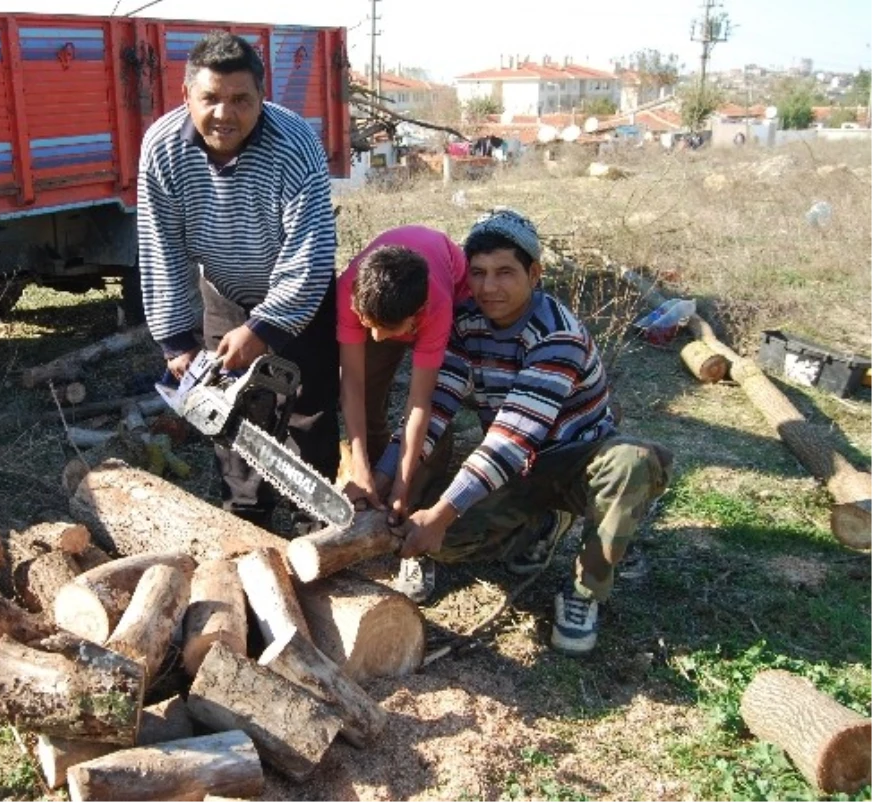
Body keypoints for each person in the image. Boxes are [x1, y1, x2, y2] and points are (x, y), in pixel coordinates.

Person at [384, 208, 673, 655]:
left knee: (630, 463)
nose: (488, 287)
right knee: (447, 544)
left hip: (581, 460)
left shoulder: (558, 336)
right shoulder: (465, 323)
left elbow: (511, 436)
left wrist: (439, 513)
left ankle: (584, 590)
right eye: (477, 273)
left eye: (504, 272)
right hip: (521, 469)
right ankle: (540, 525)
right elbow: (435, 406)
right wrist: (388, 475)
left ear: (534, 273)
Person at [136, 31, 339, 530]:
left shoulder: (295, 142)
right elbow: (160, 246)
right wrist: (176, 342)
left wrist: (266, 329)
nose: (224, 114)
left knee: (307, 410)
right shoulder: (161, 148)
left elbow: (310, 251)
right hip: (223, 289)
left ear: (261, 98)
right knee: (229, 411)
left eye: (240, 100)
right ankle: (247, 521)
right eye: (210, 99)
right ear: (187, 97)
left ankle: (318, 525)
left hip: (297, 294)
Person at [336, 226, 467, 520]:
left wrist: (402, 487)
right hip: (388, 304)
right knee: (368, 393)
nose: (376, 337)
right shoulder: (350, 289)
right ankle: (372, 475)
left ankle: (420, 479)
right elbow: (353, 385)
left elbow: (420, 403)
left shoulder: (438, 305)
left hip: (449, 295)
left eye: (388, 330)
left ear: (416, 314)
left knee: (437, 403)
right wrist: (360, 466)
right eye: (366, 324)